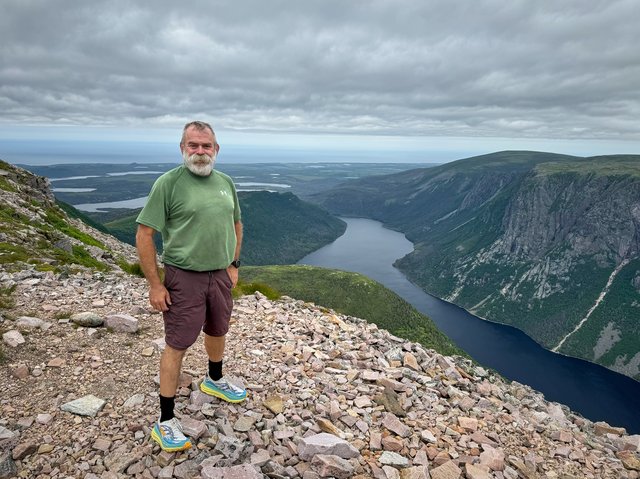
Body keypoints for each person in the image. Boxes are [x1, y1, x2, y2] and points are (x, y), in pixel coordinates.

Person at [135, 120, 245, 452]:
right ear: (182, 148)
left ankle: (214, 380)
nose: (199, 151)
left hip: (220, 275)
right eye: (193, 145)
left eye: (205, 146)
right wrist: (155, 285)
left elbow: (236, 223)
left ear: (216, 149)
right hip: (184, 276)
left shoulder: (225, 182)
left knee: (217, 328)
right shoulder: (168, 184)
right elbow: (144, 234)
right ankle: (165, 420)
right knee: (178, 343)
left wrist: (233, 264)